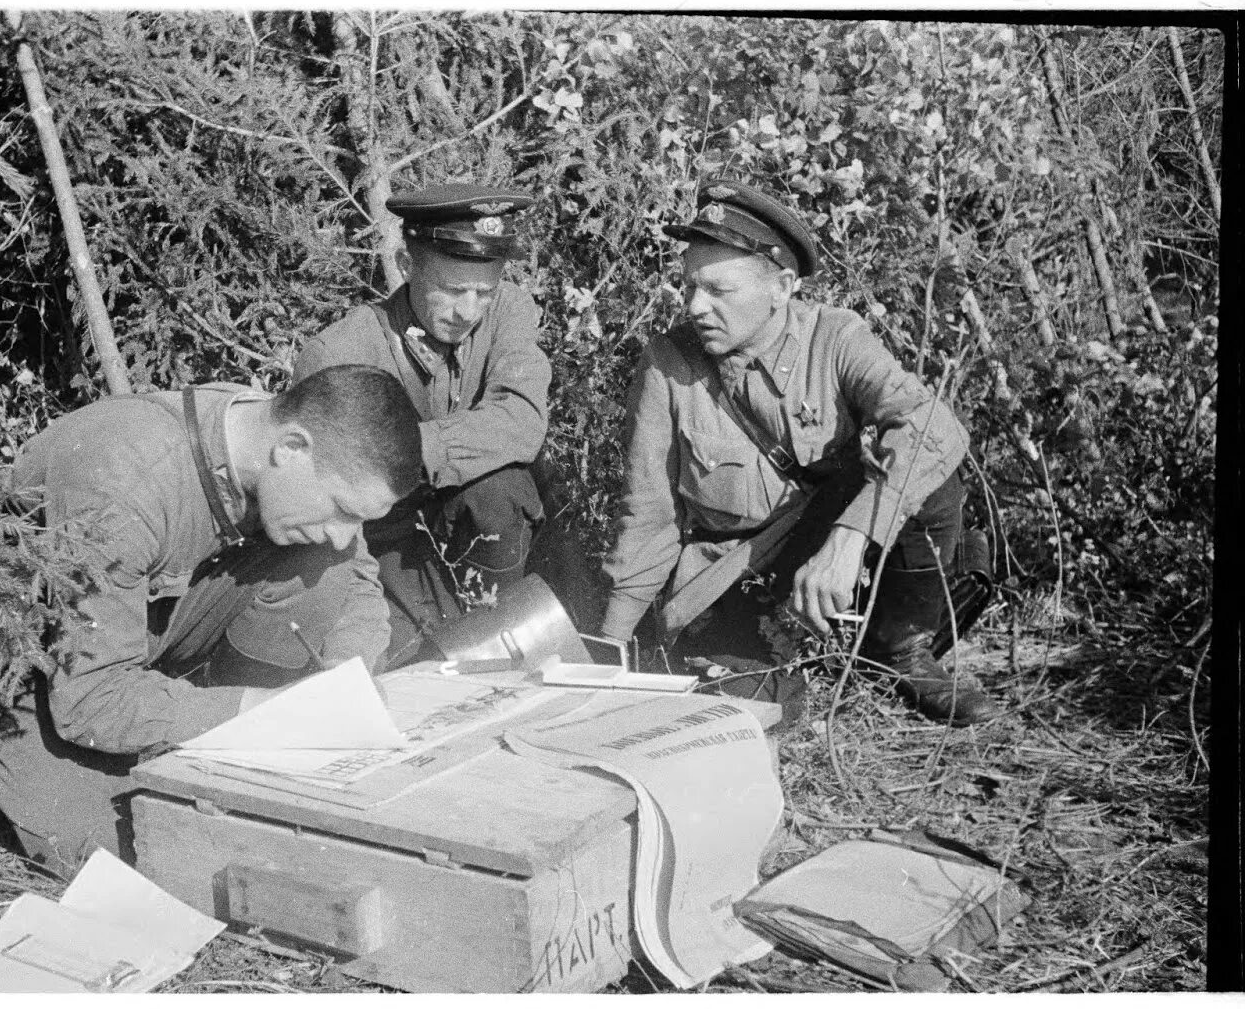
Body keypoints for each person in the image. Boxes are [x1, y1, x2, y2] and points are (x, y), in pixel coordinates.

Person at [0, 365, 423, 871]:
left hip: (145, 634)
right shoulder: (121, 481)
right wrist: (270, 713)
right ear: (292, 448)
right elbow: (90, 703)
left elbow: (355, 570)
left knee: (326, 568)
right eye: (342, 509)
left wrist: (350, 673)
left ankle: (219, 742)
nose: (346, 534)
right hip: (40, 667)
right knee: (151, 855)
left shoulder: (268, 437)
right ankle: (213, 731)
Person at [598, 180, 1000, 728]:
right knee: (754, 713)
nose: (695, 306)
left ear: (781, 287)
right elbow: (648, 515)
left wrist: (851, 536)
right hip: (738, 573)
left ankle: (902, 651)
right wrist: (609, 648)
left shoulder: (835, 338)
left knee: (929, 476)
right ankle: (794, 654)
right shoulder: (669, 364)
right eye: (689, 286)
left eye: (718, 290)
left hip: (828, 537)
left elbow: (933, 426)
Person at [293, 183, 552, 663]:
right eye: (453, 291)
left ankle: (493, 631)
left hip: (470, 534)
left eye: (483, 292)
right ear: (408, 267)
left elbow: (521, 422)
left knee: (504, 490)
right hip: (378, 546)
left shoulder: (511, 310)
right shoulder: (339, 353)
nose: (469, 312)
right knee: (396, 666)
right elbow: (325, 506)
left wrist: (396, 449)